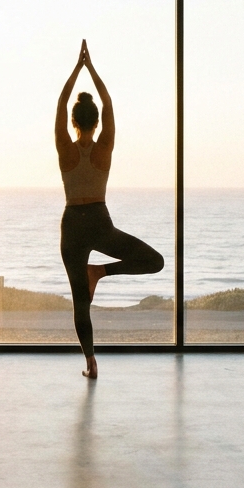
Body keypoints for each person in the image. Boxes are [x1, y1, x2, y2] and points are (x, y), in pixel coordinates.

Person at [56, 40, 164, 379]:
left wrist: (77, 69)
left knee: (80, 302)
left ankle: (91, 362)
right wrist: (92, 69)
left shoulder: (64, 148)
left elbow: (61, 101)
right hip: (100, 222)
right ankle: (101, 272)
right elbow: (108, 101)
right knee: (155, 261)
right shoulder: (106, 145)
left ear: (73, 121)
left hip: (73, 224)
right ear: (97, 121)